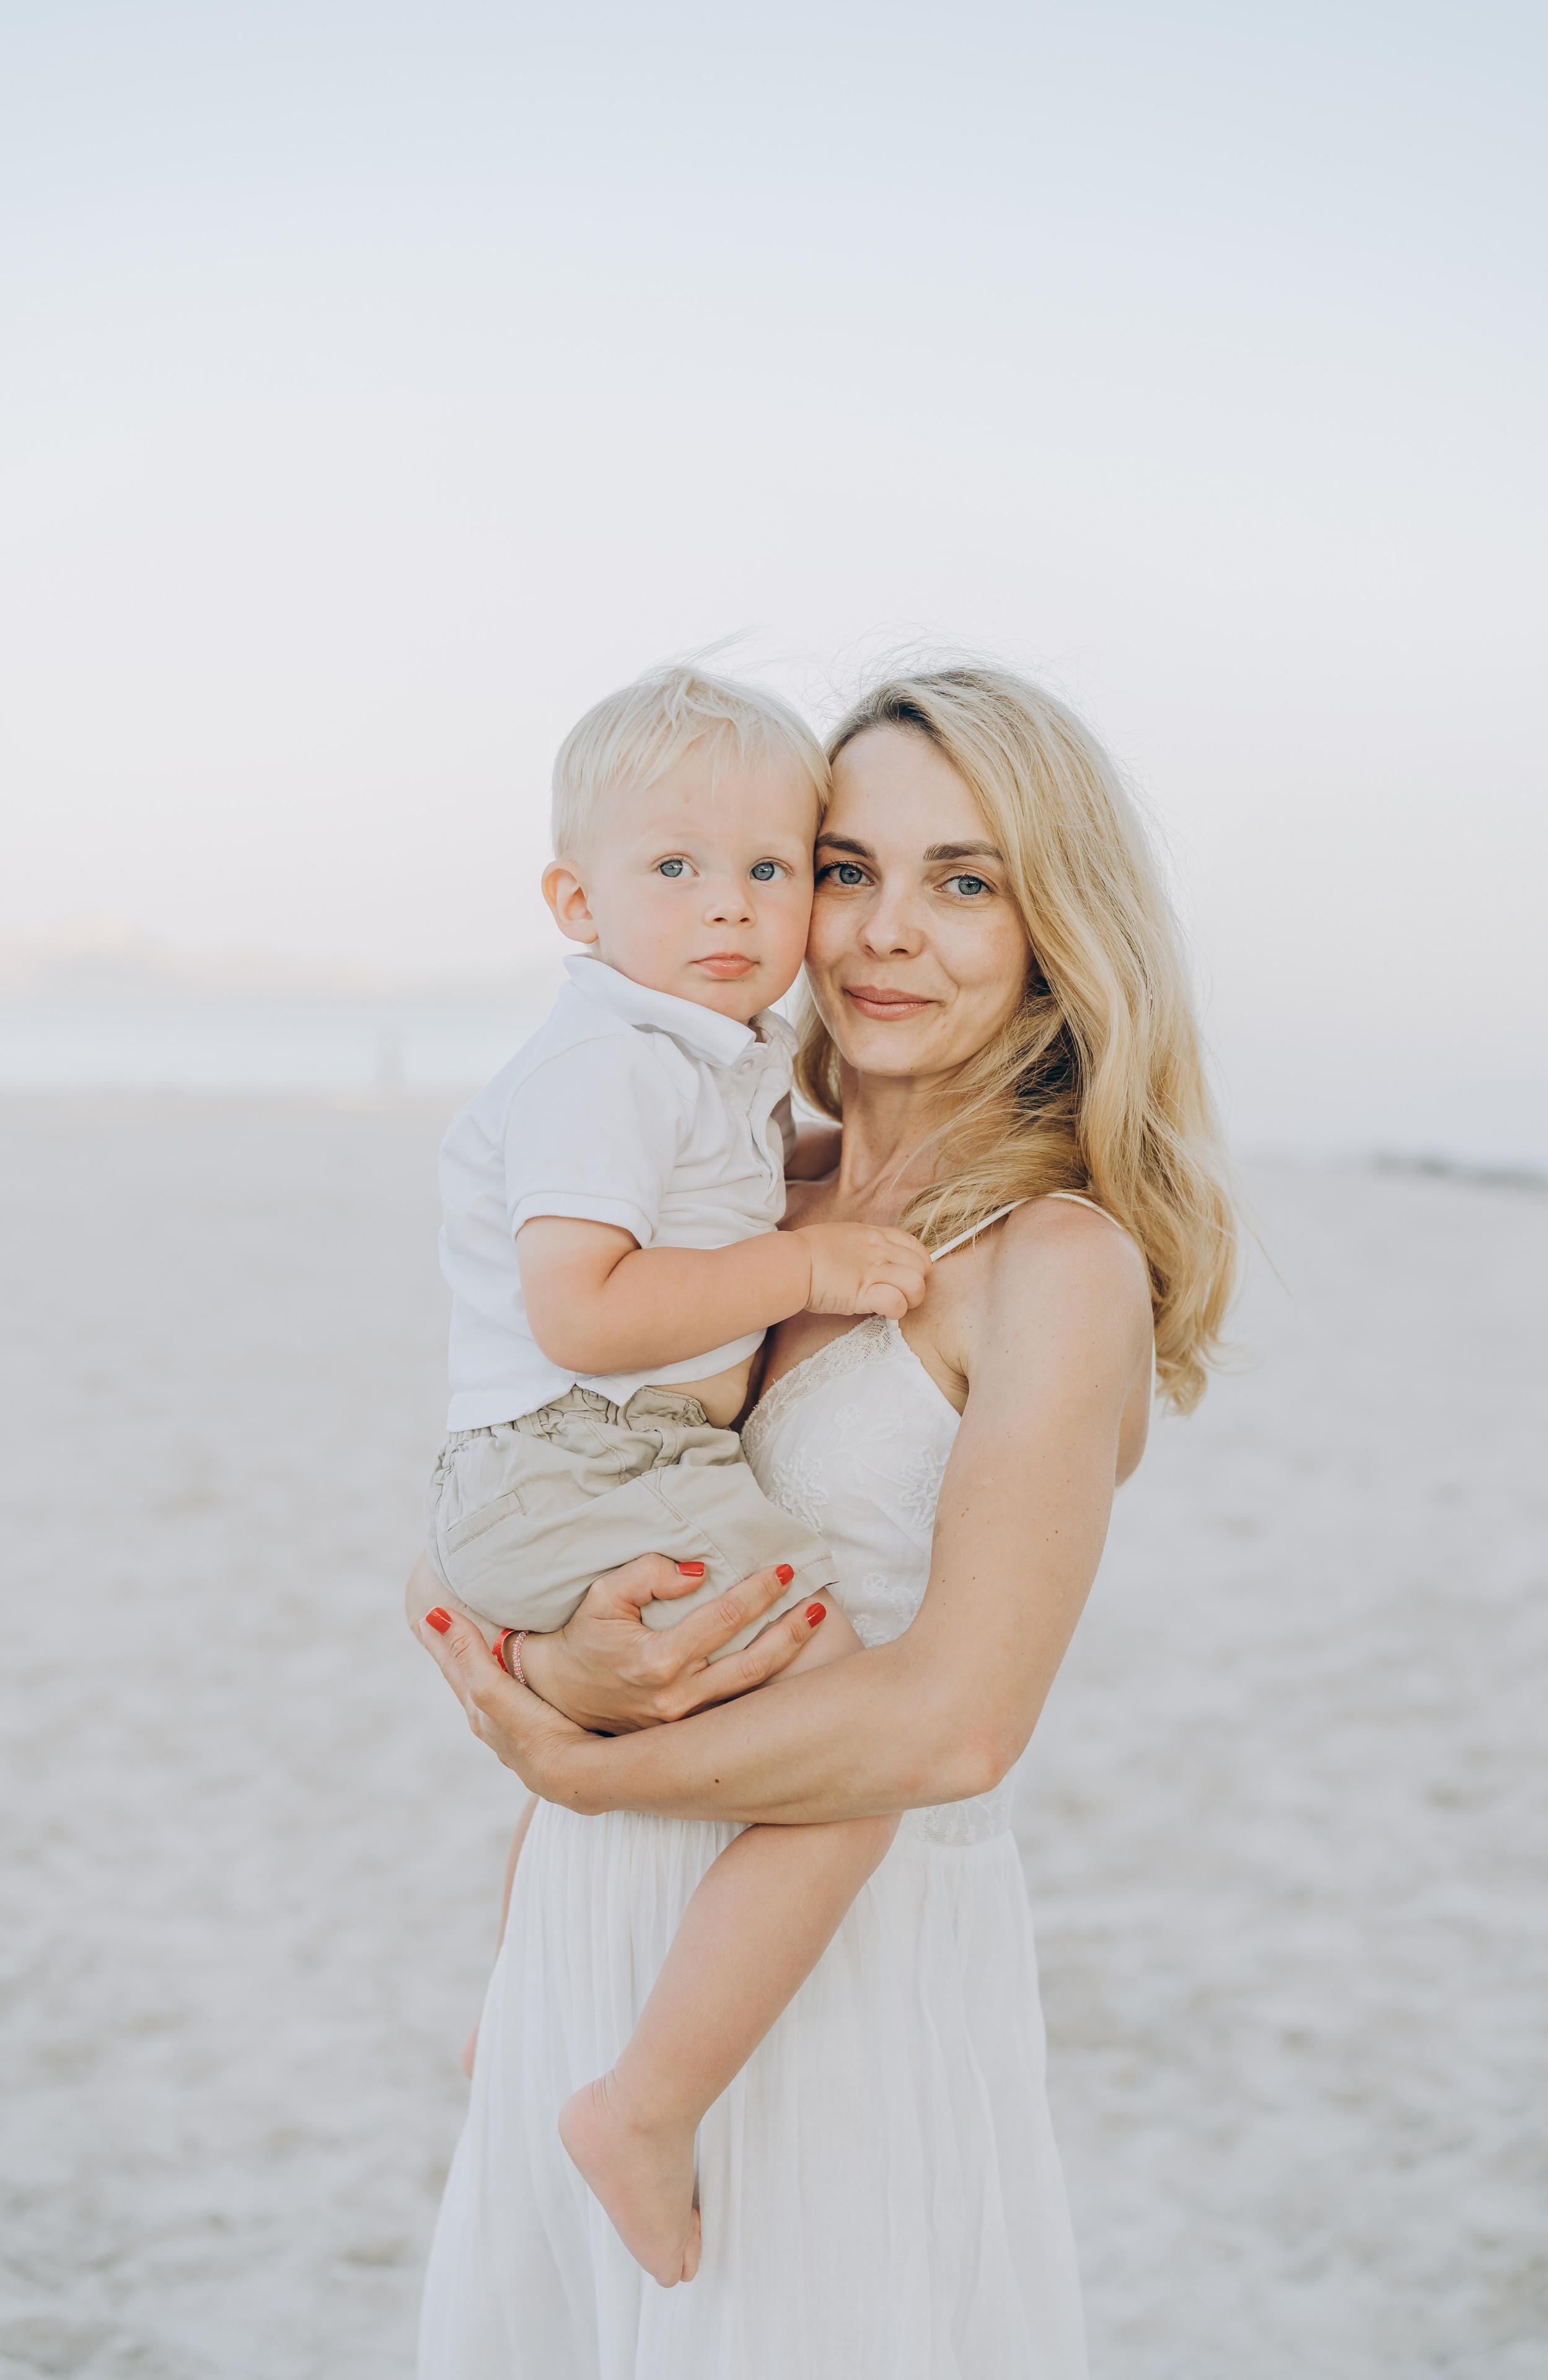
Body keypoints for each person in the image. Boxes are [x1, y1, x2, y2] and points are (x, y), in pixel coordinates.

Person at [410, 661, 1238, 2379]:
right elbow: (493, 1493)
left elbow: (957, 1723)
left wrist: (581, 1755)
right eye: (845, 866)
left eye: (965, 880)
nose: (879, 933)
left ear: (1051, 925)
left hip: (840, 1981)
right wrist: (565, 1664)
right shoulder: (720, 1198)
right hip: (592, 1934)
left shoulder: (1053, 1263)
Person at [424, 662, 933, 2284]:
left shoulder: (691, 1057)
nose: (733, 908)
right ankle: (642, 2106)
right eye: (676, 869)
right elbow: (580, 1311)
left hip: (579, 1464)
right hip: (592, 1453)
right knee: (850, 1748)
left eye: (772, 870)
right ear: (576, 899)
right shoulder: (617, 1065)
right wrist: (811, 1271)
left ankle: (517, 2022)